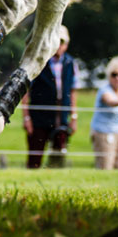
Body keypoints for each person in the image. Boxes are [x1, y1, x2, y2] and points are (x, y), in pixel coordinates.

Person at [21, 28, 77, 168]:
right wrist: (26, 117)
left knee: (58, 158)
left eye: (62, 42)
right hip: (39, 118)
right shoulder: (39, 60)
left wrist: (74, 116)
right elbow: (26, 92)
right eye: (56, 41)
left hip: (61, 118)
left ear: (67, 45)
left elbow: (73, 91)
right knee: (35, 158)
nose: (59, 45)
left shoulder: (70, 63)